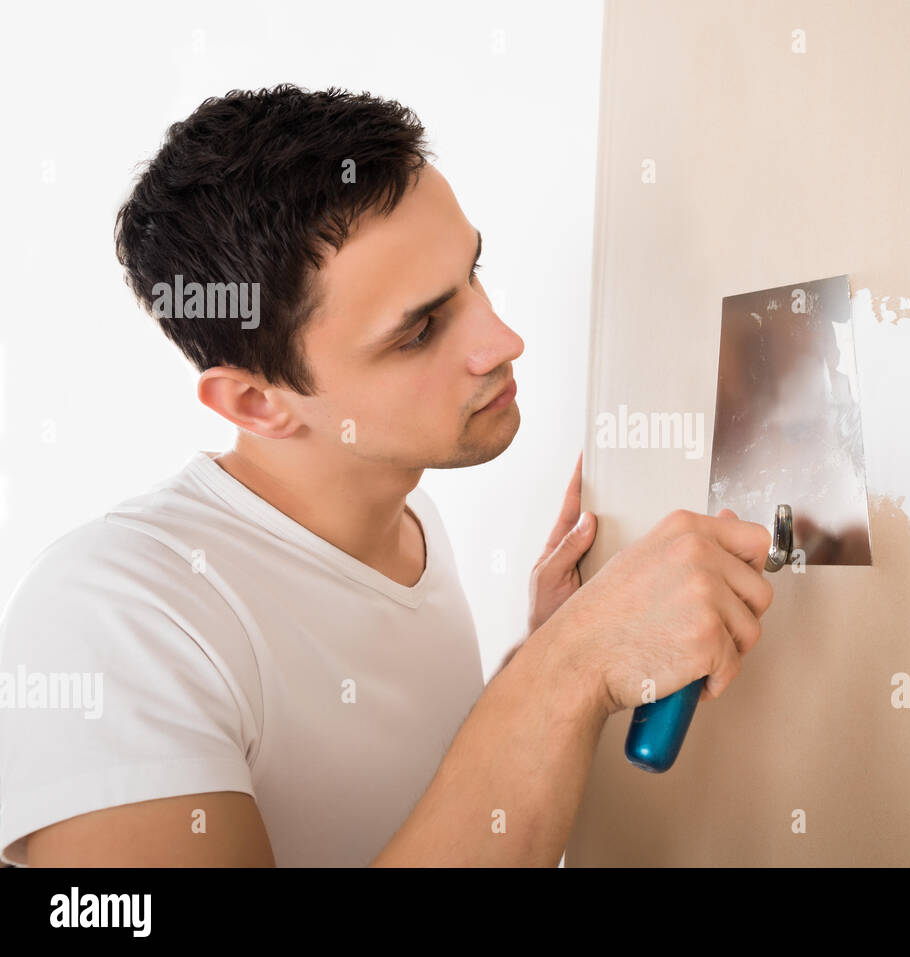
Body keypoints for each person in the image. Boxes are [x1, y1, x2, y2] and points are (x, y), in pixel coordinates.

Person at [0, 85, 774, 867]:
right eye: (421, 330)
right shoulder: (115, 615)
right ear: (255, 401)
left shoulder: (408, 528)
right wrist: (563, 671)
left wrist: (538, 654)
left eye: (475, 274)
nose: (504, 340)